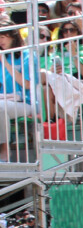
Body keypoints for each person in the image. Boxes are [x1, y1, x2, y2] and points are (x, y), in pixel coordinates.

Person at [0, 19, 38, 162]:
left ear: (13, 35)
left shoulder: (27, 54)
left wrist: (5, 62)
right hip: (6, 99)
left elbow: (27, 84)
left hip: (25, 102)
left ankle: (5, 150)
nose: (0, 41)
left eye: (3, 36)